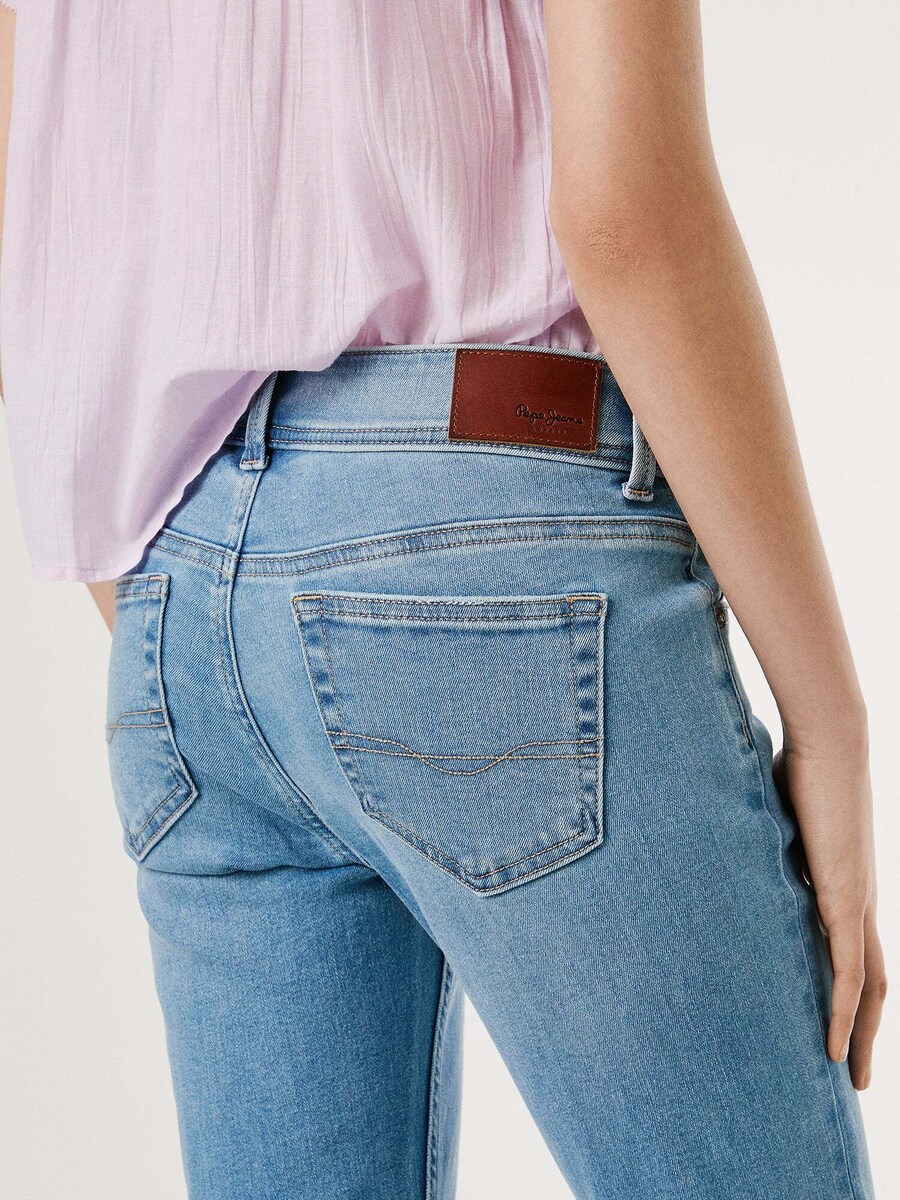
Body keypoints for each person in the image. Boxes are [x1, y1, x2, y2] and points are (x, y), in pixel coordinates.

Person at [0, 2, 885, 1197]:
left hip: (184, 588)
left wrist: (192, 590)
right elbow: (624, 214)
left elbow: (25, 227)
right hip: (498, 534)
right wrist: (829, 725)